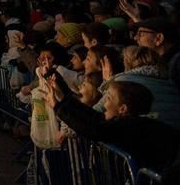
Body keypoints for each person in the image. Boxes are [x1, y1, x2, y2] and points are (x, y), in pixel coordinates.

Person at [44, 74, 180, 173]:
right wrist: (61, 103)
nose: (105, 103)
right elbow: (94, 116)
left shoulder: (134, 126)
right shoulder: (132, 120)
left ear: (123, 109)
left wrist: (58, 106)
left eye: (108, 98)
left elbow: (94, 128)